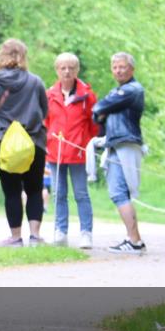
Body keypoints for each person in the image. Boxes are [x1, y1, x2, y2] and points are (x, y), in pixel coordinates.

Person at [0, 39, 49, 247]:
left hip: (6, 145)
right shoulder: (36, 82)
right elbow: (45, 111)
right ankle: (35, 236)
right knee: (34, 189)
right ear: (23, 56)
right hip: (34, 143)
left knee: (12, 191)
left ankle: (15, 237)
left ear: (2, 55)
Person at [93, 52, 147, 255]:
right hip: (117, 143)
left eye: (122, 67)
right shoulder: (119, 91)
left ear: (132, 69)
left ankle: (134, 241)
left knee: (118, 193)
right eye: (115, 67)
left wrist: (102, 109)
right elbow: (98, 116)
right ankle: (135, 239)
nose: (118, 70)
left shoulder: (133, 89)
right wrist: (101, 111)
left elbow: (99, 107)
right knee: (121, 193)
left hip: (125, 142)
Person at [44, 52, 98, 249]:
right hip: (55, 153)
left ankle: (86, 233)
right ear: (57, 70)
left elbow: (94, 125)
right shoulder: (49, 95)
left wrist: (87, 144)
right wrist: (49, 139)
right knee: (58, 193)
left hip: (78, 153)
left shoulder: (87, 96)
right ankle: (60, 231)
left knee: (81, 193)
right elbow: (46, 122)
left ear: (77, 70)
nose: (67, 72)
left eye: (71, 68)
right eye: (63, 68)